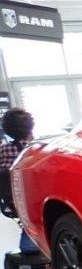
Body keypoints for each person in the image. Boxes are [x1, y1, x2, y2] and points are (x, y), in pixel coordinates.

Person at [1, 108, 41, 254]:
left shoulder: (4, 150)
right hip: (34, 199)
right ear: (30, 127)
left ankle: (30, 243)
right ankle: (31, 246)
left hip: (10, 200)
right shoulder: (34, 149)